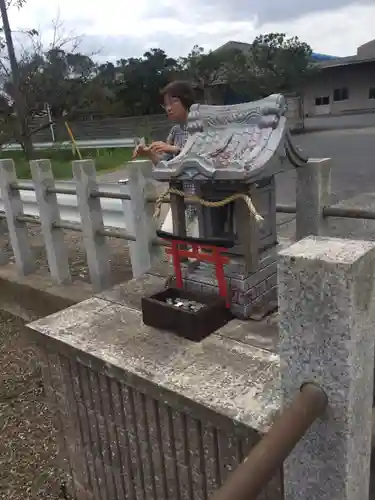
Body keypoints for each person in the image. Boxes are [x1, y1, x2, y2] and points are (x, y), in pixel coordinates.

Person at [133, 80, 197, 228]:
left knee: (200, 247)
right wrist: (149, 154)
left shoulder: (202, 127)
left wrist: (175, 150)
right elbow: (164, 167)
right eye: (165, 104)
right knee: (169, 235)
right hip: (180, 200)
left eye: (173, 102)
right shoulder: (175, 131)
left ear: (186, 100)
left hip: (203, 200)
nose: (168, 108)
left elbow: (202, 158)